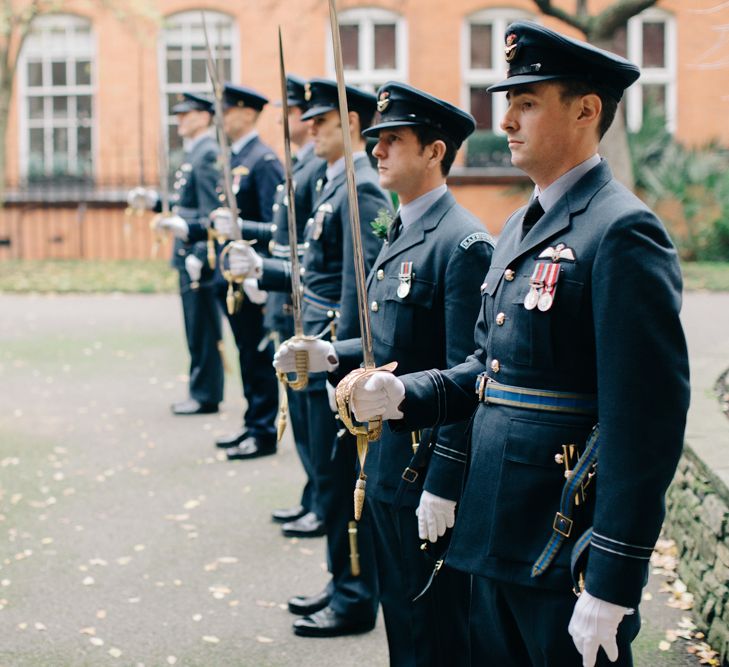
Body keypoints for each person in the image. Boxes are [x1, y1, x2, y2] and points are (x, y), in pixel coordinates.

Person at [344, 22, 690, 667]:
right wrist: (404, 392)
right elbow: (486, 370)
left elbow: (645, 421)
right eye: (509, 102)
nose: (505, 120)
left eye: (527, 102)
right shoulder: (518, 228)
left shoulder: (621, 232)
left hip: (564, 544)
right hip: (492, 532)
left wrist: (613, 577)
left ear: (586, 110)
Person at [275, 82, 495, 665]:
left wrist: (444, 483)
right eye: (374, 139)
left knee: (433, 628)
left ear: (435, 151)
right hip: (386, 457)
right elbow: (386, 345)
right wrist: (326, 354)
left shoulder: (461, 240)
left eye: (394, 140)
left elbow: (464, 374)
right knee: (403, 617)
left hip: (423, 466)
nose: (376, 151)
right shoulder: (403, 227)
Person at [227, 78, 388, 637]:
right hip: (314, 342)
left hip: (330, 348)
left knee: (342, 481)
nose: (309, 128)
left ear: (353, 124)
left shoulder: (359, 187)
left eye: (321, 120)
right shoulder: (335, 183)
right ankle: (339, 581)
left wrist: (337, 358)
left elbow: (354, 289)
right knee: (327, 471)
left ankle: (354, 595)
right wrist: (266, 271)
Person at [128, 92, 224, 415]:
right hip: (186, 252)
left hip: (197, 256)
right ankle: (201, 390)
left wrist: (199, 250)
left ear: (204, 117)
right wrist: (156, 201)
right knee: (194, 326)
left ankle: (206, 394)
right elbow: (186, 204)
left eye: (188, 114)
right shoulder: (195, 152)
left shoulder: (208, 153)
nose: (180, 119)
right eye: (179, 114)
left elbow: (211, 212)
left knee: (202, 327)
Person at [265, 75, 328, 527]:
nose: (298, 121)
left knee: (312, 420)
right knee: (302, 418)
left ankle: (321, 502)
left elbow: (317, 256)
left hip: (308, 307)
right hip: (291, 301)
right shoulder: (301, 163)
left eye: (304, 114)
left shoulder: (319, 170)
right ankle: (313, 495)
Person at [209, 84, 284, 460]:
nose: (220, 117)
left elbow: (277, 225)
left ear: (247, 114)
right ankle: (253, 421)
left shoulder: (263, 160)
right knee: (245, 352)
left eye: (227, 110)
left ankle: (263, 429)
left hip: (254, 276)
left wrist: (262, 276)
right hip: (235, 276)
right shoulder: (236, 157)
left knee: (256, 353)